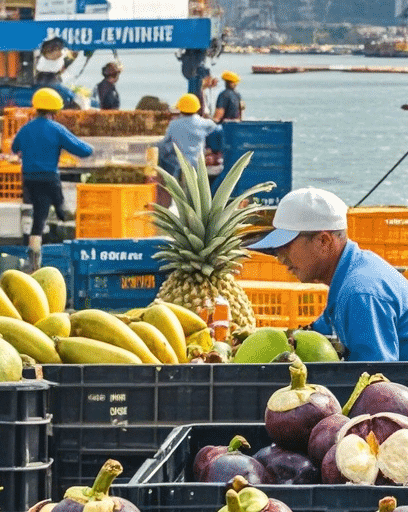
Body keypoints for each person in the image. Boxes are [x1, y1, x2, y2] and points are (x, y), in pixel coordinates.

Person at [246, 187, 408, 361]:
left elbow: (375, 379)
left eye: (286, 247)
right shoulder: (349, 274)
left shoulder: (359, 293)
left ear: (323, 241)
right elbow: (320, 330)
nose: (281, 259)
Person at [11, 87, 93, 270]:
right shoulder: (56, 129)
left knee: (40, 215)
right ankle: (73, 248)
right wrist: (92, 149)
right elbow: (83, 150)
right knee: (62, 211)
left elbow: (14, 147)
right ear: (55, 112)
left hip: (30, 179)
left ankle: (34, 256)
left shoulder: (26, 129)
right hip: (50, 178)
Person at [157, 93, 221, 179]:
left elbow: (163, 145)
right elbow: (218, 132)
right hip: (198, 165)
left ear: (180, 108)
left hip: (180, 166)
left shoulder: (173, 124)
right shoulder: (205, 123)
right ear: (197, 108)